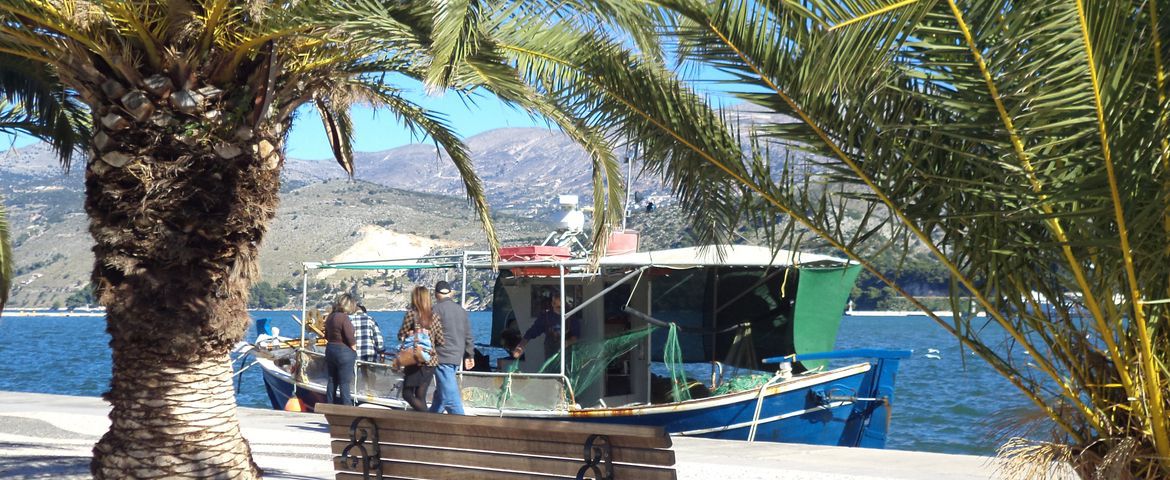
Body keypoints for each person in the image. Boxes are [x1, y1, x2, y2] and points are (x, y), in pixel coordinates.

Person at [429, 280, 474, 415]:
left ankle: (462, 426)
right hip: (456, 358)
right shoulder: (461, 311)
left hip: (442, 358)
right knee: (441, 396)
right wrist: (469, 355)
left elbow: (430, 336)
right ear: (450, 294)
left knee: (450, 399)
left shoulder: (434, 310)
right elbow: (468, 335)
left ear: (436, 294)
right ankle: (429, 422)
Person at [397, 286, 445, 411]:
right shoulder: (434, 316)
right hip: (431, 361)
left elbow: (401, 334)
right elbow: (440, 341)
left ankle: (427, 419)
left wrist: (408, 336)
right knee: (420, 395)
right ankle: (423, 423)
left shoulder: (411, 314)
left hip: (415, 360)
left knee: (407, 394)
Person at [511, 294, 579, 361]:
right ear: (552, 304)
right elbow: (530, 333)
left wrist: (566, 343)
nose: (560, 308)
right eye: (558, 306)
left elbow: (576, 337)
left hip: (568, 355)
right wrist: (520, 346)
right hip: (550, 354)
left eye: (562, 306)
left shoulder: (571, 317)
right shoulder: (545, 317)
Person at [324, 293, 358, 405]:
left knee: (332, 380)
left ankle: (329, 406)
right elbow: (349, 337)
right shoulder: (344, 318)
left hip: (330, 349)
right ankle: (347, 409)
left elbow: (326, 336)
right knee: (344, 383)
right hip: (344, 352)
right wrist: (354, 349)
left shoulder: (330, 317)